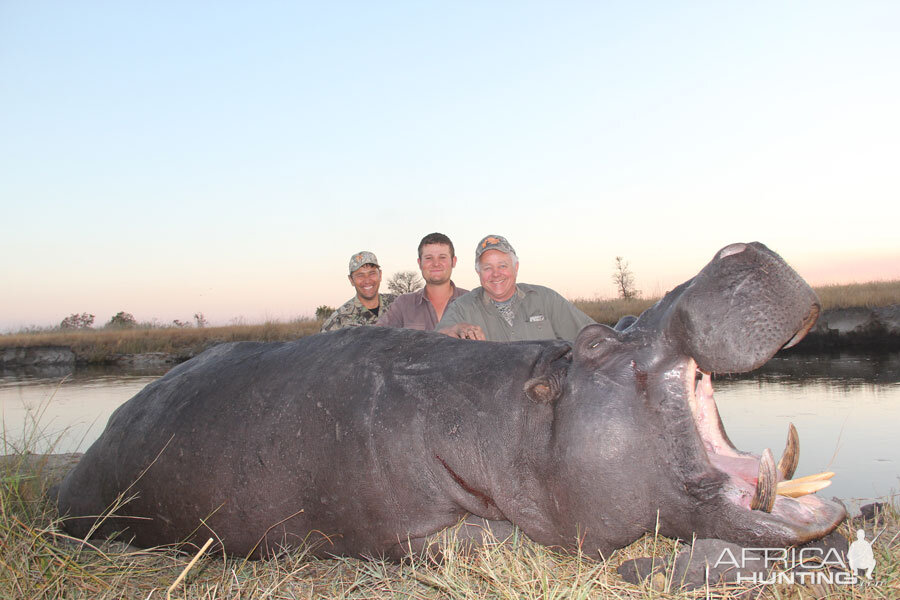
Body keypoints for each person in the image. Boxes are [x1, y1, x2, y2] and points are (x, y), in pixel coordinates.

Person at [436, 235, 594, 342]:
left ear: (515, 267)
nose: (496, 274)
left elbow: (593, 338)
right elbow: (433, 342)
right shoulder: (462, 308)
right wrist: (456, 328)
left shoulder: (546, 299)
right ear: (478, 272)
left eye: (502, 266)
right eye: (487, 268)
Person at [377, 233, 469, 331]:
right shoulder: (403, 304)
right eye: (429, 258)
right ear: (419, 263)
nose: (436, 263)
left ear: (453, 261)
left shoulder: (472, 302)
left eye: (442, 257)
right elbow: (375, 336)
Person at [321, 251, 396, 332]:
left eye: (372, 273)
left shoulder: (400, 305)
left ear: (380, 275)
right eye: (360, 275)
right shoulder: (338, 322)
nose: (367, 280)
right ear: (351, 280)